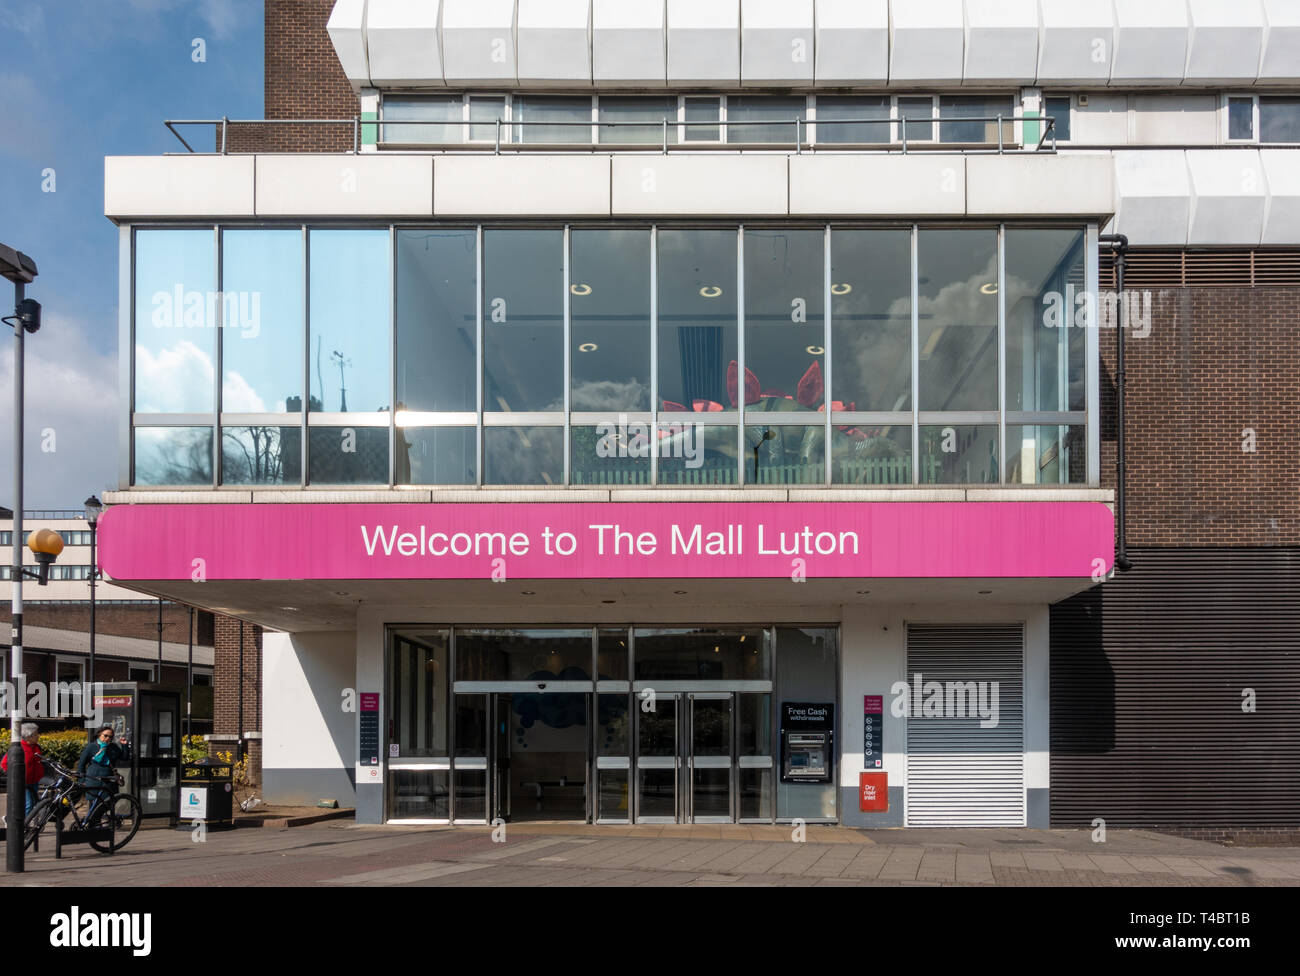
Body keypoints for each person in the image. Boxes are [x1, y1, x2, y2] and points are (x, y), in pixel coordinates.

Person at [77, 725, 128, 814]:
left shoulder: (113, 747)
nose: (107, 738)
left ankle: (103, 824)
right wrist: (81, 780)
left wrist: (124, 745)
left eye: (110, 737)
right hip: (93, 780)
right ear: (99, 734)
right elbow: (81, 764)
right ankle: (93, 825)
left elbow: (124, 757)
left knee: (108, 803)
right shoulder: (91, 747)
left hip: (109, 781)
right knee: (95, 806)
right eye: (105, 735)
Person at [1, 723, 45, 814]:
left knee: (33, 804)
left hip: (34, 781)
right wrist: (15, 776)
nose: (38, 736)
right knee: (29, 804)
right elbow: (4, 763)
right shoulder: (18, 748)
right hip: (24, 783)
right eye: (36, 734)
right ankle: (24, 826)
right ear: (29, 736)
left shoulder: (36, 747)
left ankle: (17, 821)